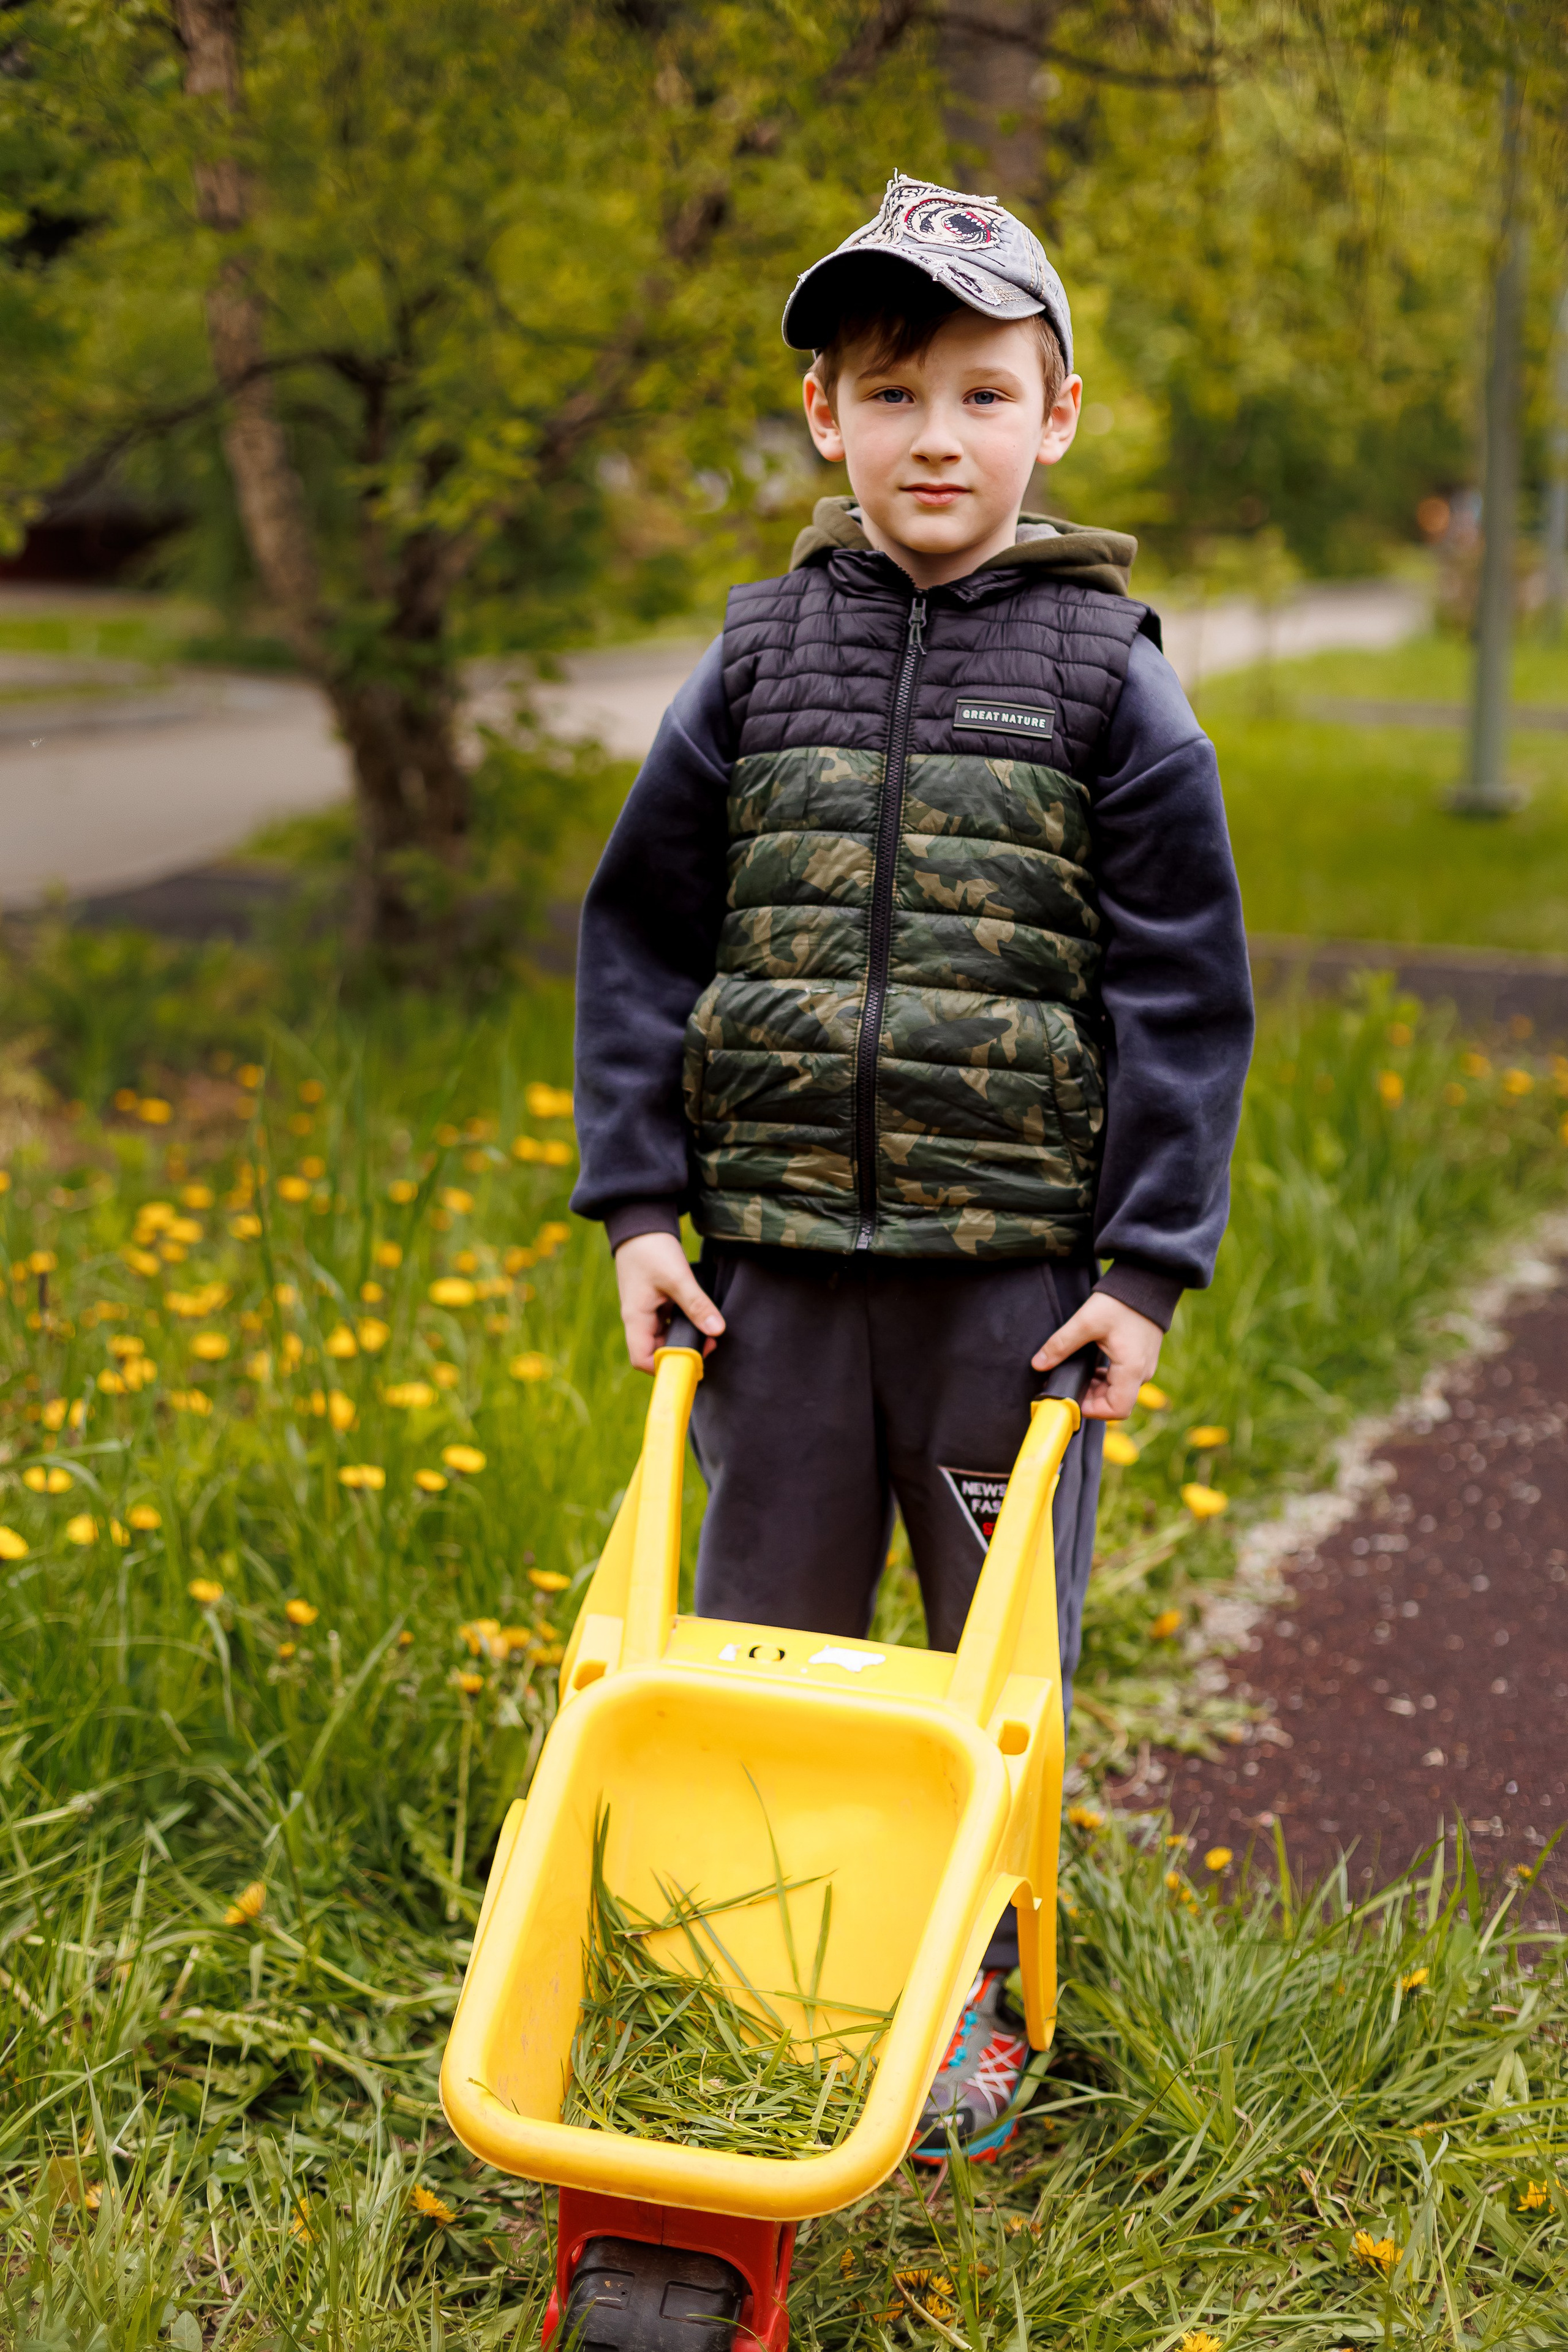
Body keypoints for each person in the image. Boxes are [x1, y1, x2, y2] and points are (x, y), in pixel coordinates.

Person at [571, 173, 1254, 2157]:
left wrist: (1145, 1269)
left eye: (976, 393)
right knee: (758, 1646)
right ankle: (745, 1966)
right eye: (889, 394)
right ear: (820, 416)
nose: (931, 438)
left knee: (986, 1666)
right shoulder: (755, 661)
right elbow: (640, 937)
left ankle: (975, 1993)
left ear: (1054, 416)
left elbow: (1183, 996)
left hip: (1013, 1298)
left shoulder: (1107, 684)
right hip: (769, 1277)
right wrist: (636, 1208)